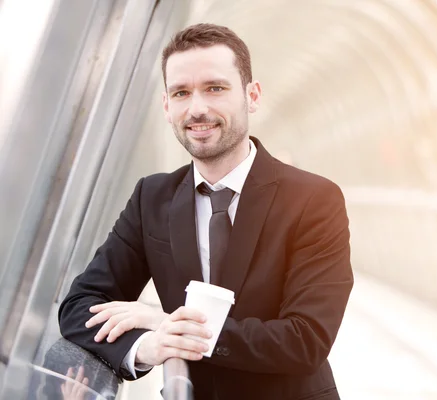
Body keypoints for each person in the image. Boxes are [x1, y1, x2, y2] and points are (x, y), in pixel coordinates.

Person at [58, 23, 353, 400]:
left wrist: (173, 325)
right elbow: (79, 307)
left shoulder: (314, 199)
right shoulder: (152, 197)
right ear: (167, 106)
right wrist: (147, 347)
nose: (197, 108)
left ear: (252, 95)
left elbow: (305, 340)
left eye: (215, 88)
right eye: (181, 93)